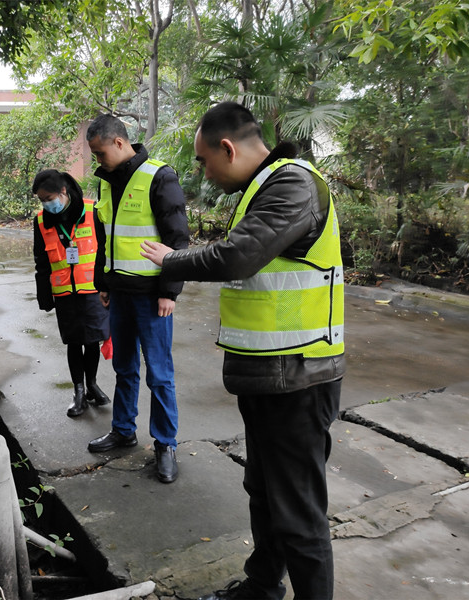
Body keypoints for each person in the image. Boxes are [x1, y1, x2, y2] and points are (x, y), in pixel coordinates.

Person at [140, 101, 345, 599]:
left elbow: (239, 256)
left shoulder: (294, 184)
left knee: (298, 511)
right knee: (265, 492)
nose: (205, 173)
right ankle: (261, 586)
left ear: (227, 148)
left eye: (205, 162)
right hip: (269, 373)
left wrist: (175, 260)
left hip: (300, 374)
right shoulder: (265, 186)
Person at [86, 114, 189, 484]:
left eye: (99, 153)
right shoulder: (107, 184)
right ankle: (123, 430)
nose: (97, 161)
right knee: (124, 368)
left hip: (151, 297)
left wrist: (169, 291)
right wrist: (103, 283)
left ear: (118, 143)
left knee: (159, 374)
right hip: (120, 294)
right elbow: (106, 239)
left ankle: (165, 444)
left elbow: (178, 240)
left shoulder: (159, 177)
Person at [32, 169, 112, 418]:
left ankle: (92, 385)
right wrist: (44, 296)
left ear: (63, 191)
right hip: (64, 291)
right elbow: (41, 261)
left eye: (49, 197)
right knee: (73, 341)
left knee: (92, 340)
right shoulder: (42, 221)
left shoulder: (92, 211)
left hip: (92, 289)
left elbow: (106, 250)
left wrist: (107, 284)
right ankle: (78, 391)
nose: (47, 204)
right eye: (42, 200)